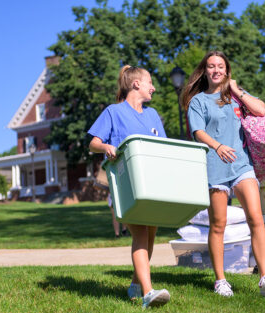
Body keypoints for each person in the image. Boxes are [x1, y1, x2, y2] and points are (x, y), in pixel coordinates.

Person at [183, 50, 265, 297]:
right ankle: (221, 281)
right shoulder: (198, 101)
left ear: (226, 71)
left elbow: (260, 110)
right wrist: (217, 146)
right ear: (204, 71)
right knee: (218, 225)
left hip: (242, 166)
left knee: (256, 219)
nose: (216, 70)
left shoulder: (237, 97)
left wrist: (237, 90)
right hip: (214, 167)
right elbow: (197, 132)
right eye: (211, 66)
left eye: (220, 66)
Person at [88, 65, 170, 308]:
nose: (153, 87)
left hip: (152, 182)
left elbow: (163, 146)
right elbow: (94, 143)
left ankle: (135, 284)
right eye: (149, 83)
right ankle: (147, 293)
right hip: (127, 183)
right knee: (140, 234)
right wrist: (106, 147)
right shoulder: (114, 112)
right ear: (136, 84)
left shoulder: (153, 114)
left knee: (151, 235)